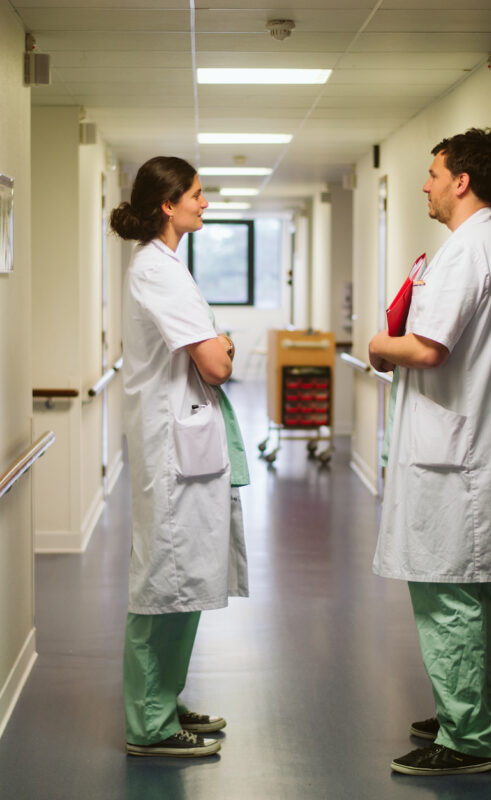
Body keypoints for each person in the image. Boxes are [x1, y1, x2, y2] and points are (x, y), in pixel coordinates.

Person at [369, 128, 491, 776]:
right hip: (462, 452)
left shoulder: (468, 250)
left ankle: (465, 741)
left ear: (461, 181)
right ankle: (467, 713)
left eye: (433, 173)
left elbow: (429, 348)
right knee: (467, 598)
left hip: (454, 463)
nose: (425, 184)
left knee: (450, 597)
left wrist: (378, 344)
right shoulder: (486, 242)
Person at [110, 156, 250, 758]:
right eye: (196, 194)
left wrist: (217, 348)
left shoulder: (168, 265)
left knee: (184, 580)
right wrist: (223, 349)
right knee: (160, 584)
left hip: (184, 444)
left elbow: (208, 354)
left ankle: (164, 698)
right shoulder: (157, 271)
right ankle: (150, 725)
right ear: (167, 205)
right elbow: (217, 363)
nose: (204, 203)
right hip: (171, 450)